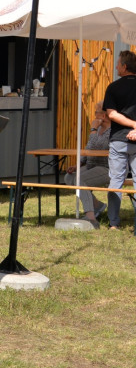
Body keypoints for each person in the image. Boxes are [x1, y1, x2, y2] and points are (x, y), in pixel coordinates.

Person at [102, 50, 136, 232]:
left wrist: (132, 125)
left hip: (118, 141)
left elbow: (112, 114)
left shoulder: (113, 88)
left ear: (124, 66)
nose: (116, 67)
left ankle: (114, 223)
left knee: (116, 181)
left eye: (117, 64)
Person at [63, 102, 110, 228]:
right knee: (69, 177)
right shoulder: (99, 129)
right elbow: (89, 148)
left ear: (103, 116)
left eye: (96, 112)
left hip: (106, 167)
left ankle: (91, 217)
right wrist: (78, 164)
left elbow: (100, 147)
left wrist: (93, 130)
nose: (94, 115)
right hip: (91, 164)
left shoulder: (112, 130)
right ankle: (97, 205)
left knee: (81, 180)